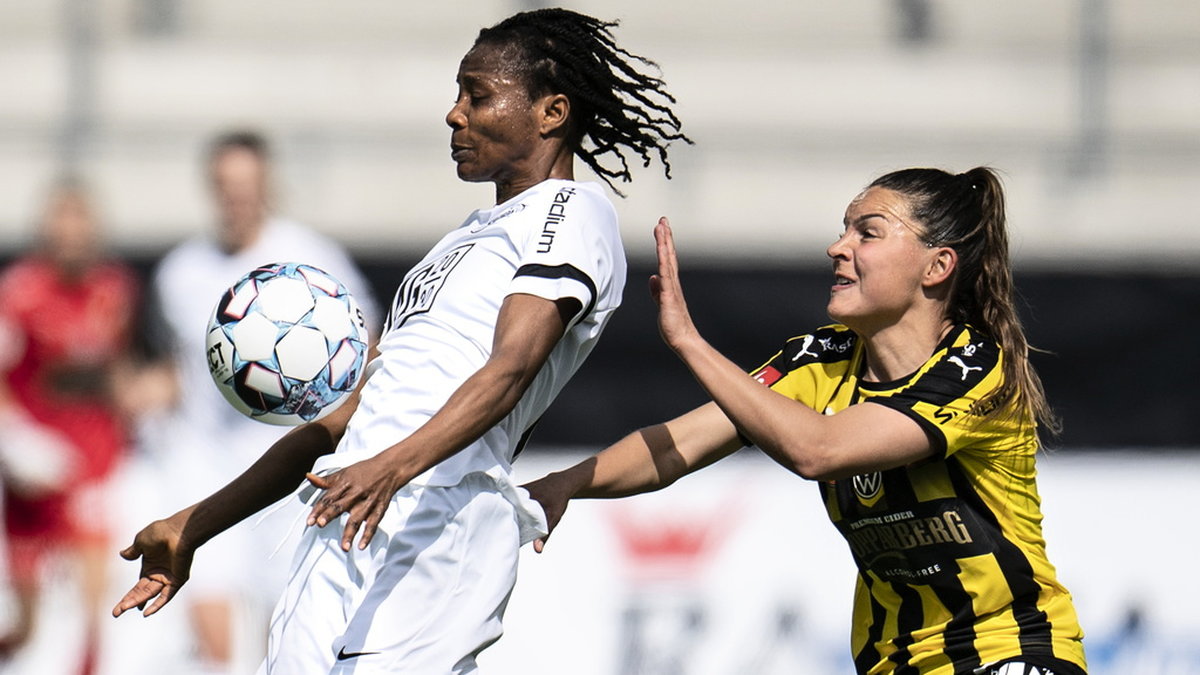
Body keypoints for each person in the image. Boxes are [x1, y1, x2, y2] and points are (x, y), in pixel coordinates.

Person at [113, 8, 691, 675]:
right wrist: (194, 524)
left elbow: (510, 369)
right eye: (457, 94)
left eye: (478, 95)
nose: (454, 114)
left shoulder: (571, 213)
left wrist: (390, 468)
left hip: (439, 513)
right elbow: (345, 418)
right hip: (349, 505)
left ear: (551, 112)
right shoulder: (460, 240)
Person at [525, 167, 1088, 675]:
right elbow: (681, 445)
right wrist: (565, 484)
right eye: (844, 230)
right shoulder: (821, 358)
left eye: (867, 233)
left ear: (937, 266)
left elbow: (819, 451)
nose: (837, 247)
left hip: (1010, 650)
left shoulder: (975, 369)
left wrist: (689, 342)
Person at [130, 129, 380, 673]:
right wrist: (148, 390)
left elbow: (367, 343)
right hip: (202, 458)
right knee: (209, 620)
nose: (236, 197)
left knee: (283, 627)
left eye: (246, 184)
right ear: (210, 188)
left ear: (267, 185)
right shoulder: (180, 271)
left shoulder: (312, 258)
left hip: (291, 460)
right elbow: (179, 365)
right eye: (225, 185)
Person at [0, 178, 139, 673]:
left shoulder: (115, 289)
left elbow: (118, 369)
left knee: (90, 612)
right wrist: (16, 438)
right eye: (61, 223)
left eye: (80, 223)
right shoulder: (19, 293)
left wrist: (139, 393)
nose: (71, 235)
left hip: (93, 463)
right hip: (34, 474)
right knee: (28, 623)